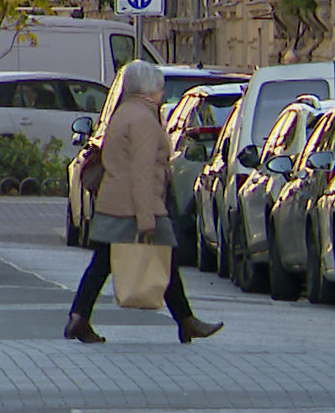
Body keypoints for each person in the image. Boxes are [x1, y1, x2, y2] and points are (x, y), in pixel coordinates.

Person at [65, 60, 224, 345]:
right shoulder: (143, 120)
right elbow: (141, 170)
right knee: (166, 259)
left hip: (116, 202)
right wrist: (147, 217)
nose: (163, 93)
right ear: (149, 88)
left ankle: (79, 317)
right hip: (140, 205)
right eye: (160, 87)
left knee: (104, 262)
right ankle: (186, 322)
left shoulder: (124, 113)